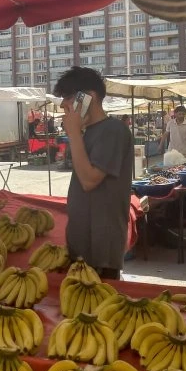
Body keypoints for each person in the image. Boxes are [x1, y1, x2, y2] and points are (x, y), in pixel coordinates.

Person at [54, 66, 133, 280]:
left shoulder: (114, 130)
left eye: (68, 97)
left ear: (89, 97)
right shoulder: (88, 132)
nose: (63, 105)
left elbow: (89, 180)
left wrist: (73, 133)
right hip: (82, 243)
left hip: (101, 248)